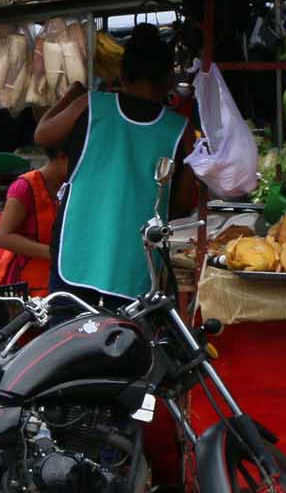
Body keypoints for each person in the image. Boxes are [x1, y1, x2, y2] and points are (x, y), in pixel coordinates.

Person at [34, 24, 194, 305]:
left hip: (77, 249)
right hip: (135, 260)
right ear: (169, 78)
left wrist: (71, 94)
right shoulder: (180, 130)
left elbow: (42, 134)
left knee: (68, 338)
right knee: (125, 341)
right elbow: (183, 202)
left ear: (121, 73)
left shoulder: (90, 105)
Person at [0, 146, 71, 295]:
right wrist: (56, 253)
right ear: (63, 157)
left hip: (60, 281)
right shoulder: (24, 187)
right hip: (24, 286)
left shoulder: (71, 187)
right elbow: (4, 238)